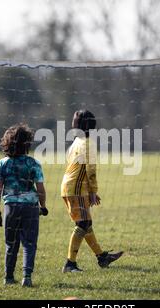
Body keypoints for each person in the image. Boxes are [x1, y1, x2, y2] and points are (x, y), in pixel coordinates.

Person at [61, 109, 123, 273]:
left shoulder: (75, 142)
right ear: (92, 125)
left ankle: (102, 257)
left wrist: (88, 191)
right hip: (76, 188)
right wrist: (93, 191)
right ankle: (70, 264)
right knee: (83, 223)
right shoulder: (88, 143)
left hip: (71, 186)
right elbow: (90, 170)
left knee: (86, 224)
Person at [0, 123, 48, 287]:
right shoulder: (34, 163)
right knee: (29, 244)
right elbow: (40, 188)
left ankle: (8, 277)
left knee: (11, 244)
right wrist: (43, 206)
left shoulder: (3, 163)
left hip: (10, 207)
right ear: (27, 144)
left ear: (7, 143)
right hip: (30, 207)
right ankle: (27, 277)